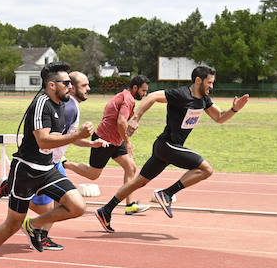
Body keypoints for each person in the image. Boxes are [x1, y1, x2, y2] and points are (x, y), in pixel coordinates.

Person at [0, 62, 95, 268]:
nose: (70, 87)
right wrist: (78, 136)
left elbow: (56, 139)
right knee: (12, 224)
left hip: (47, 169)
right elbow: (44, 141)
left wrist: (80, 141)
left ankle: (33, 225)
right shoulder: (42, 104)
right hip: (26, 171)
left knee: (77, 206)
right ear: (51, 85)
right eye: (66, 83)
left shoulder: (61, 104)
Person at [94, 65, 249, 232]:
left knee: (139, 181)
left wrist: (234, 109)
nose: (211, 86)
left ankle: (106, 210)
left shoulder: (203, 100)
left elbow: (219, 117)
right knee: (206, 169)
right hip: (167, 145)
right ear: (198, 80)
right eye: (209, 82)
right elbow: (152, 97)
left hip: (167, 149)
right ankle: (167, 193)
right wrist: (136, 118)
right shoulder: (181, 94)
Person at [0, 70, 106, 251]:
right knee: (36, 213)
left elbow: (66, 135)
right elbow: (46, 139)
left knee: (69, 206)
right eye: (82, 85)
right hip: (37, 165)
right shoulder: (62, 107)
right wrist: (76, 140)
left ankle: (36, 229)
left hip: (50, 164)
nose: (88, 88)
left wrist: (90, 143)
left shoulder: (64, 105)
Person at [63, 74, 151, 215]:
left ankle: (130, 205)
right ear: (135, 87)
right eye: (143, 91)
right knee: (93, 175)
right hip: (104, 139)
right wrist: (127, 142)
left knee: (131, 167)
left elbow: (119, 121)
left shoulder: (125, 95)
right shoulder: (127, 99)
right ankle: (64, 163)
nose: (145, 94)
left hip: (116, 139)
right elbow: (121, 122)